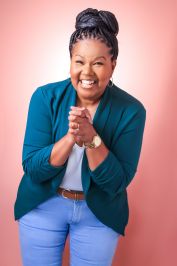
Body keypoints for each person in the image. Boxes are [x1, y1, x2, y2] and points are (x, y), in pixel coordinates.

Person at [14, 7, 146, 266]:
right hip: (43, 205)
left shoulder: (131, 111)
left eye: (98, 62)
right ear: (70, 61)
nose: (87, 72)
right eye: (79, 61)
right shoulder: (44, 97)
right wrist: (71, 137)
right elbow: (33, 169)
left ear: (113, 65)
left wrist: (92, 139)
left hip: (99, 213)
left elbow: (116, 183)